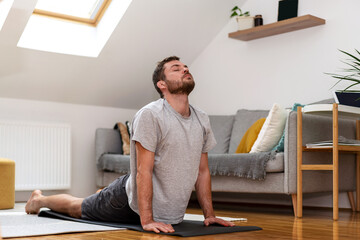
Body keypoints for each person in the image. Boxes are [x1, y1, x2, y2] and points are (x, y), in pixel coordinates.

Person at [25, 56, 235, 233]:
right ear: (162, 84)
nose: (185, 70)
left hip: (167, 210)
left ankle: (102, 194)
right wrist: (147, 220)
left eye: (186, 67)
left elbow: (202, 171)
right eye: (176, 68)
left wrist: (210, 216)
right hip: (128, 203)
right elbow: (144, 170)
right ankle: (39, 200)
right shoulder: (151, 115)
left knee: (94, 200)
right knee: (77, 207)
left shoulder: (201, 118)